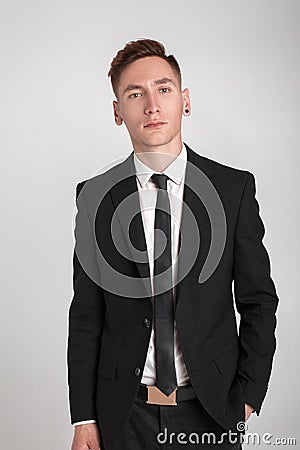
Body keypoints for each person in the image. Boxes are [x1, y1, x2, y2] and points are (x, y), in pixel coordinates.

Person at [67, 39, 279, 450]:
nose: (151, 105)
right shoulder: (95, 197)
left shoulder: (232, 190)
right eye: (135, 94)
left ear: (184, 100)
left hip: (212, 412)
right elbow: (86, 316)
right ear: (117, 112)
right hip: (123, 417)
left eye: (163, 89)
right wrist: (84, 418)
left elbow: (258, 301)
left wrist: (249, 395)